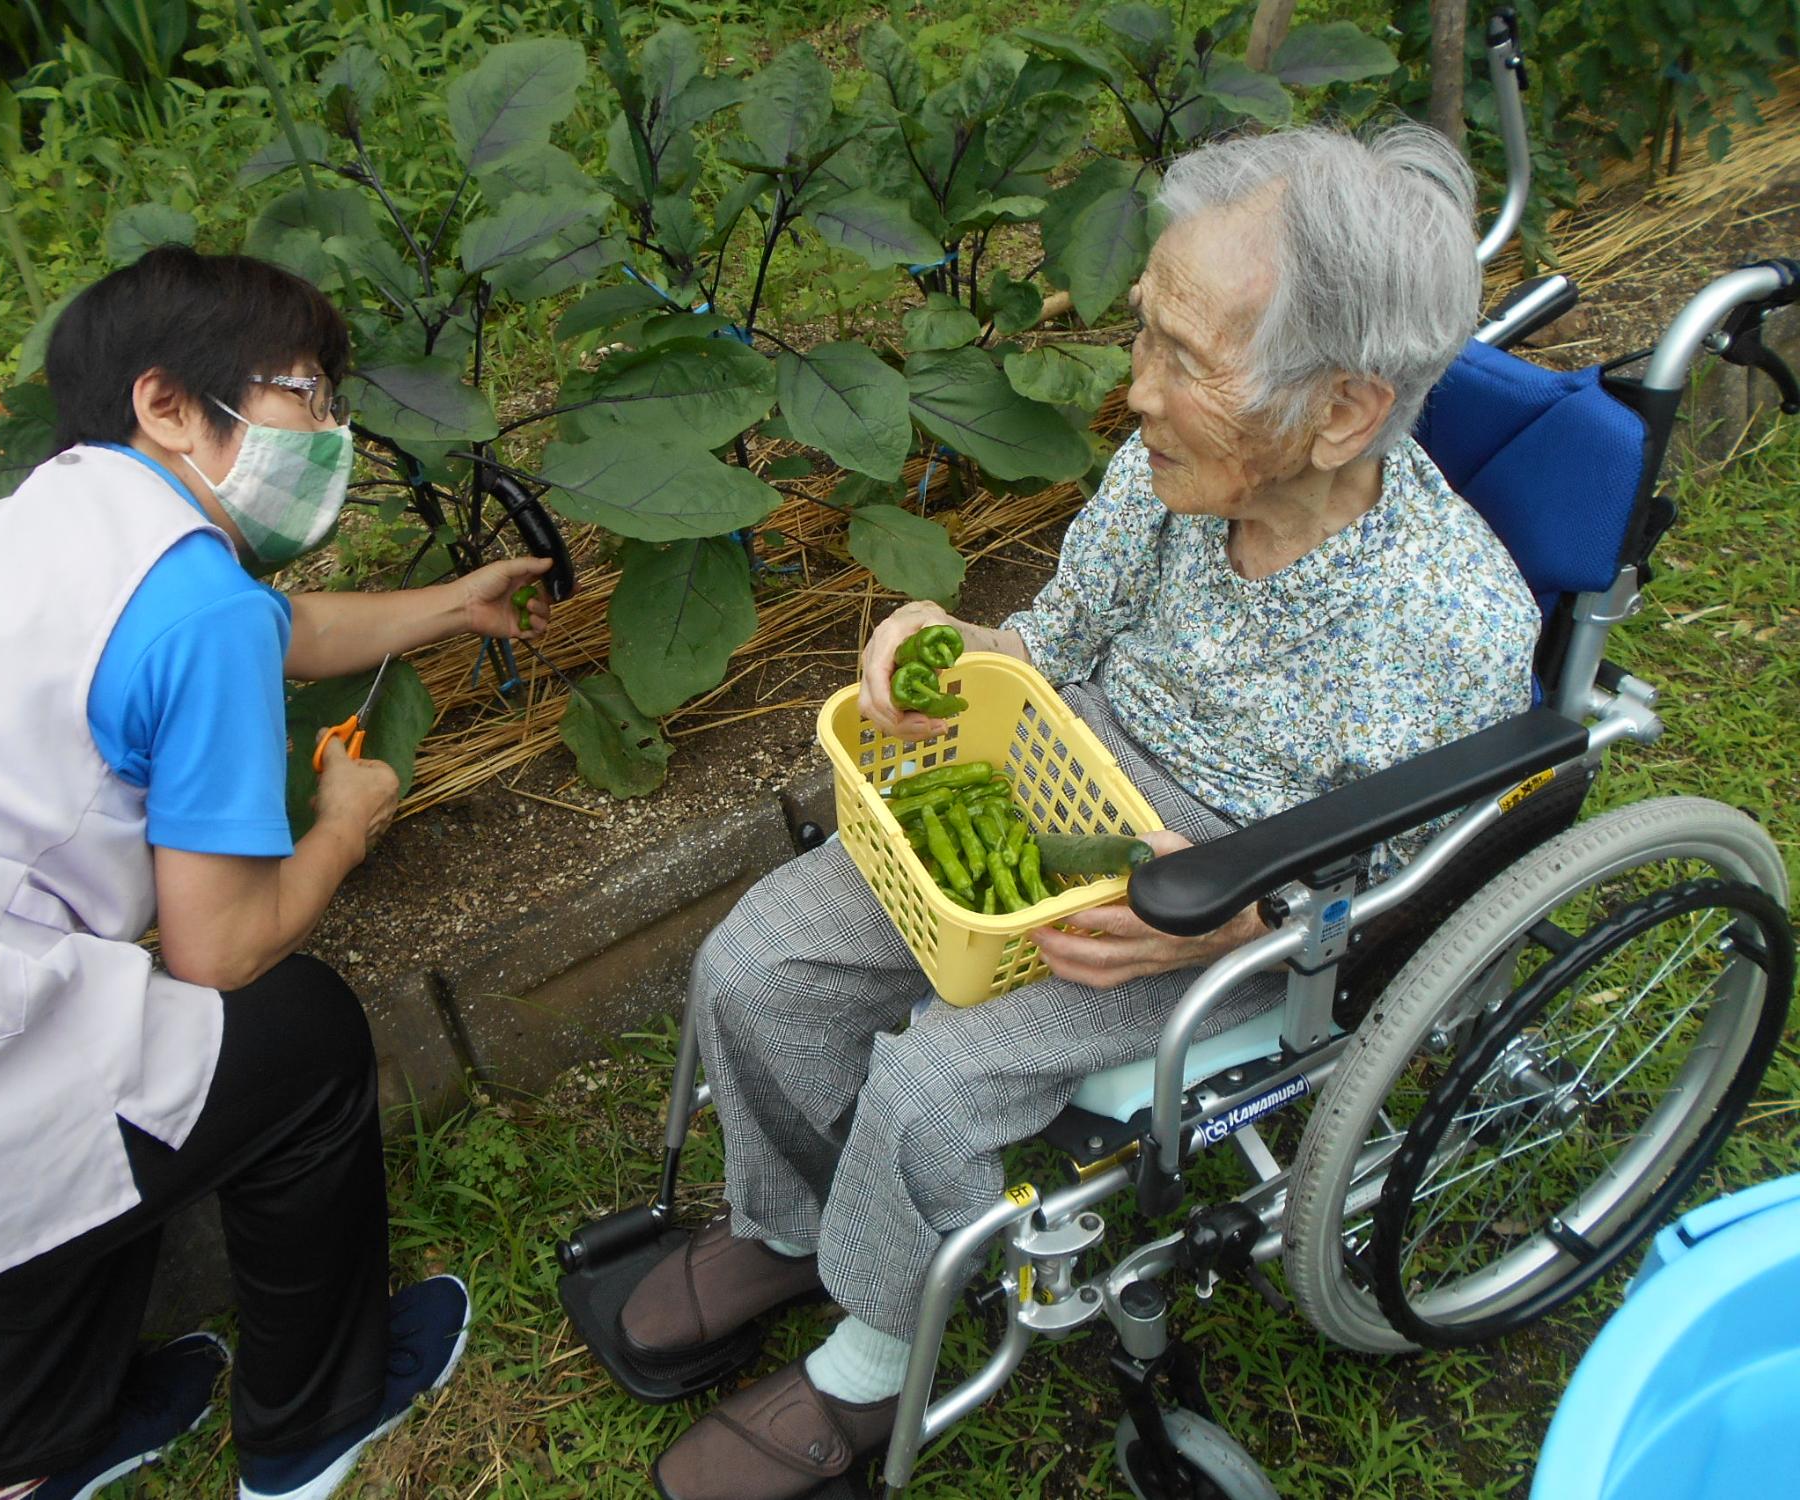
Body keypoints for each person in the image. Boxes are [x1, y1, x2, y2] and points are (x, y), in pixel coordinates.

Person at [628, 124, 1543, 1500]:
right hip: (1070, 776)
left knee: (935, 1083)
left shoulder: (1455, 626)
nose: (1137, 394)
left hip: (1225, 888)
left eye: (1186, 357)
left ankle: (873, 1361)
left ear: (1346, 410)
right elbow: (1055, 645)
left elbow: (1420, 888)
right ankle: (798, 1225)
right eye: (1145, 340)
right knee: (759, 961)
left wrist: (1241, 915)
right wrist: (959, 648)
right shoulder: (1172, 480)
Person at [0, 246, 552, 1500]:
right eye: (304, 395)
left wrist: (441, 606)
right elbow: (223, 949)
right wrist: (344, 825)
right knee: (288, 1035)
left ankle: (37, 1458)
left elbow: (266, 629)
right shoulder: (188, 601)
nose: (330, 431)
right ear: (165, 403)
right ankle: (312, 1427)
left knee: (88, 1054)